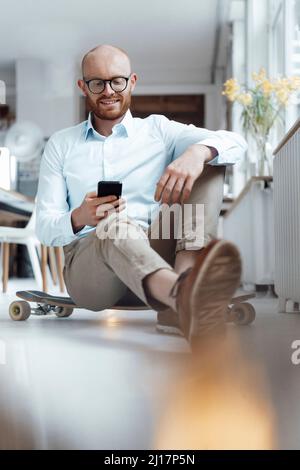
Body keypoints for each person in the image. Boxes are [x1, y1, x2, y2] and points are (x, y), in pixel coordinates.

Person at [36, 44, 247, 350]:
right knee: (114, 226)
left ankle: (183, 287)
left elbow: (237, 144)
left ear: (132, 81)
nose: (108, 91)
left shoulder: (158, 131)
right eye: (97, 83)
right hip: (92, 270)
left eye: (117, 81)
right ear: (83, 87)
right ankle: (185, 299)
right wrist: (81, 216)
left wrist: (197, 153)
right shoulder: (61, 144)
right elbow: (44, 228)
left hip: (156, 252)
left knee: (210, 159)